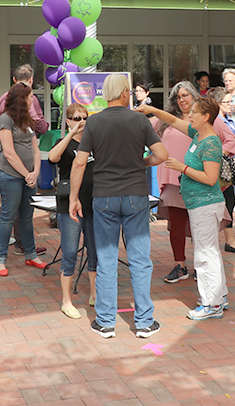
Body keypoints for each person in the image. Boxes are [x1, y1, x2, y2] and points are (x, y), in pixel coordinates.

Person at [69, 74, 168, 339]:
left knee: (106, 258)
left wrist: (73, 198)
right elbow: (162, 155)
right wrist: (142, 164)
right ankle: (145, 321)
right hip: (136, 194)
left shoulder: (95, 121)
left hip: (104, 196)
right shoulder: (139, 120)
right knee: (139, 259)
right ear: (125, 93)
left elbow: (79, 163)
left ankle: (105, 322)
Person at [140, 96, 229, 320]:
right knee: (209, 252)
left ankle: (211, 304)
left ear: (206, 117)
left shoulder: (210, 142)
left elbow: (210, 178)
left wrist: (182, 167)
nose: (190, 115)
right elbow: (171, 119)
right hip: (199, 205)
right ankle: (219, 296)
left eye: (195, 113)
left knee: (204, 254)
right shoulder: (198, 134)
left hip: (205, 205)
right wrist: (151, 109)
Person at [0, 64, 49, 253]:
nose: (34, 100)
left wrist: (35, 173)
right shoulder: (6, 119)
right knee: (9, 213)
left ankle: (28, 251)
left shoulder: (27, 120)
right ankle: (1, 255)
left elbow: (35, 148)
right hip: (12, 175)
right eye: (30, 97)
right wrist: (27, 175)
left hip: (27, 176)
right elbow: (9, 152)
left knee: (25, 215)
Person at [47, 103, 97, 319]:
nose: (81, 121)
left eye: (84, 117)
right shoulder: (64, 142)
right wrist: (71, 134)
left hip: (93, 203)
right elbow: (52, 157)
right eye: (76, 118)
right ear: (67, 120)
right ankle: (66, 300)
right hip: (69, 205)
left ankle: (95, 294)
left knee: (94, 251)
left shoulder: (94, 142)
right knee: (69, 252)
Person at [151, 81, 198, 284]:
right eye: (178, 97)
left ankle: (201, 266)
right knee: (176, 225)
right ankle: (180, 265)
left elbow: (228, 140)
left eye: (186, 95)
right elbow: (141, 125)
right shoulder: (165, 120)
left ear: (194, 96)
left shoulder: (205, 117)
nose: (182, 100)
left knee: (200, 226)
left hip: (198, 179)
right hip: (172, 181)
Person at [212, 89, 235, 254]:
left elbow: (231, 137)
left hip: (227, 165)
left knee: (229, 200)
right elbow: (213, 144)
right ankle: (227, 241)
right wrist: (228, 158)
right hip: (222, 165)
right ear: (218, 103)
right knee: (222, 201)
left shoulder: (227, 118)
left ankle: (230, 240)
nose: (230, 105)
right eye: (227, 102)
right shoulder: (215, 121)